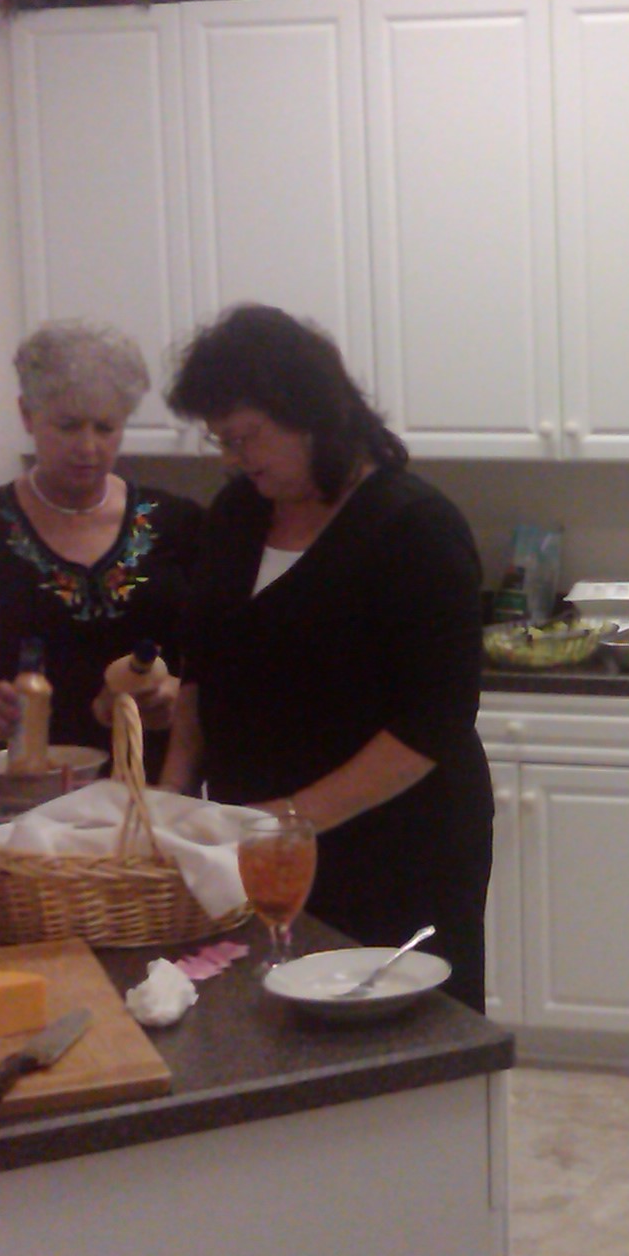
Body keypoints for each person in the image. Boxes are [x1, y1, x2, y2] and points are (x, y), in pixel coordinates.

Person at [161, 304, 493, 1013]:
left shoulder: (413, 526)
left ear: (308, 412)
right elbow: (201, 666)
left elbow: (430, 724)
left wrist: (283, 824)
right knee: (266, 1024)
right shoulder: (236, 512)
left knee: (391, 1032)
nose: (234, 459)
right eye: (222, 441)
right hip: (262, 848)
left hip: (394, 848)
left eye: (246, 436)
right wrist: (172, 800)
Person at [0, 321, 202, 766]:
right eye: (69, 426)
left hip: (146, 778)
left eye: (106, 428)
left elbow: (208, 655)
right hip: (24, 775)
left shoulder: (179, 524)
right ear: (27, 414)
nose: (88, 446)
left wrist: (175, 690)